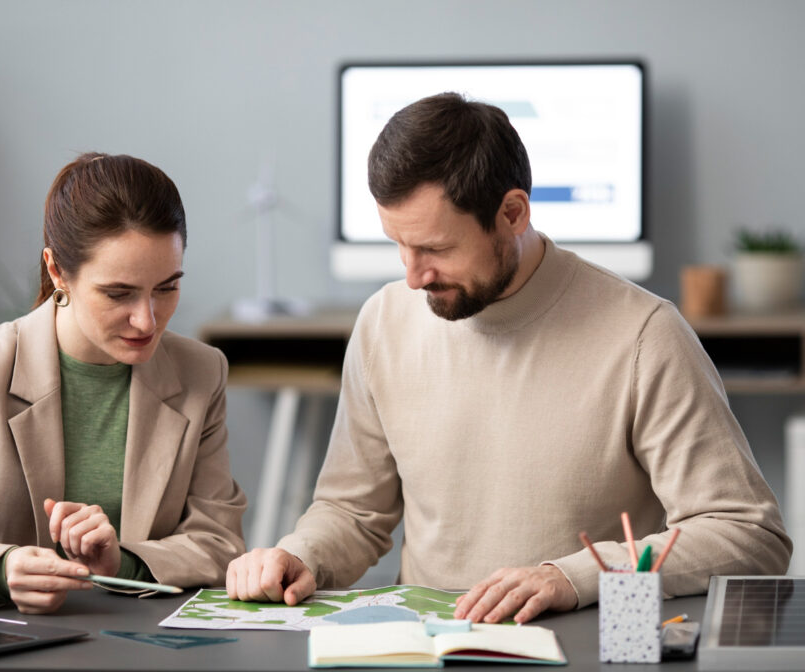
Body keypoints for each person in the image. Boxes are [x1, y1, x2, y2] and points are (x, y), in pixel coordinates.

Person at [226, 93, 791, 624]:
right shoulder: (384, 321)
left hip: (583, 643)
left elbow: (747, 533)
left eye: (437, 249)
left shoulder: (644, 335)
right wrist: (300, 554)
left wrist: (572, 578)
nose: (412, 276)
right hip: (426, 646)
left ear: (513, 212)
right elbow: (353, 513)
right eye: (398, 245)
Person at [0, 152, 246, 614]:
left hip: (146, 647)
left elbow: (219, 541)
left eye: (166, 287)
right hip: (4, 646)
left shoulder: (201, 374)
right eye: (118, 293)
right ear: (56, 270)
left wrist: (122, 562)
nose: (147, 320)